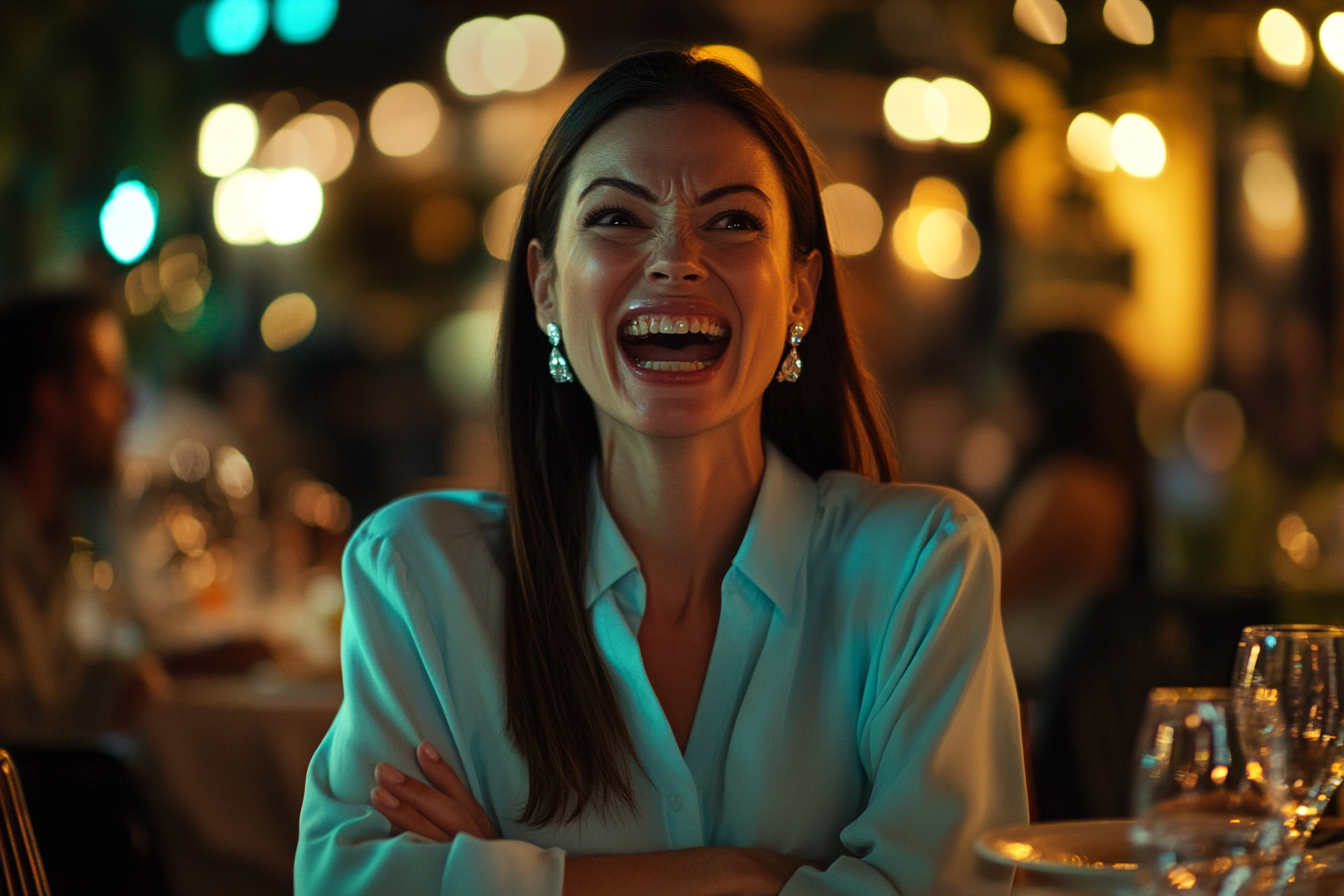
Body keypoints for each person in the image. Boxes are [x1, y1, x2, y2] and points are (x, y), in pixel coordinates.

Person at [297, 50, 1027, 895]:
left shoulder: (920, 568)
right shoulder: (421, 578)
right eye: (616, 219)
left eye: (733, 222)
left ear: (802, 291)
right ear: (543, 290)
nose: (675, 259)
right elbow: (351, 884)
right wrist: (745, 874)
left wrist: (507, 875)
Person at [0, 290, 149, 740]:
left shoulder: (52, 527)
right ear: (51, 401)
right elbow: (27, 726)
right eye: (106, 379)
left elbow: (52, 686)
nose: (129, 403)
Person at [996, 327, 1149, 700]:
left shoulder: (1068, 487)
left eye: (1020, 389)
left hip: (1033, 693)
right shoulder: (1110, 482)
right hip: (1070, 690)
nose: (1008, 406)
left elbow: (986, 592)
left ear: (1051, 395)